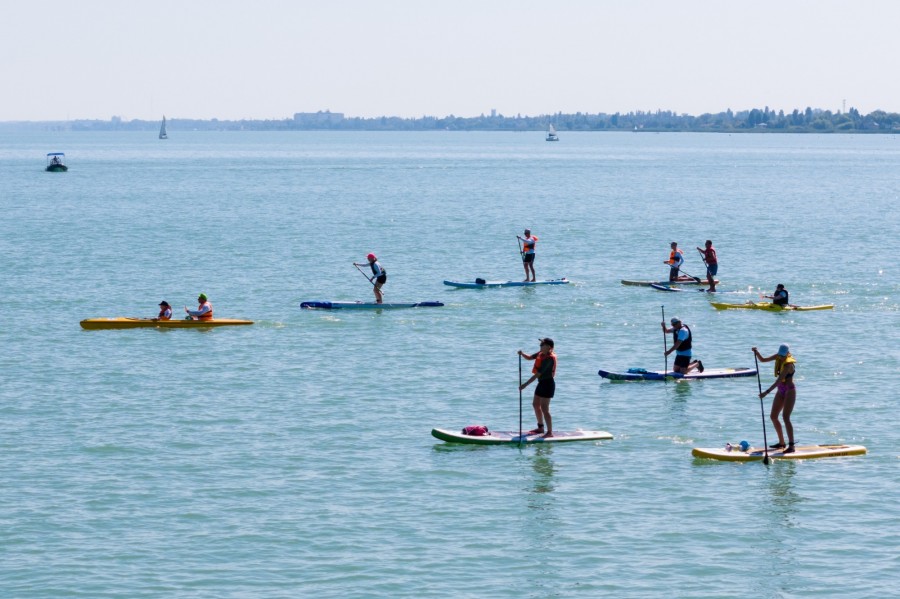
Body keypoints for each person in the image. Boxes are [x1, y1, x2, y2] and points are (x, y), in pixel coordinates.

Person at [753, 344, 797, 453]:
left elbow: (778, 380)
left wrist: (766, 392)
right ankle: (781, 443)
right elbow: (763, 360)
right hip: (780, 390)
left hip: (789, 391)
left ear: (787, 353)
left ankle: (791, 446)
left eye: (783, 356)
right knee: (773, 416)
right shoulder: (778, 356)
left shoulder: (788, 365)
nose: (781, 357)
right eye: (780, 355)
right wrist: (757, 353)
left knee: (785, 417)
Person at [518, 338, 557, 438]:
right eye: (540, 345)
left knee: (545, 409)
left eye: (542, 345)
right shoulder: (541, 354)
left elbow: (538, 374)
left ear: (549, 347)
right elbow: (530, 357)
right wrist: (522, 354)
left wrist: (525, 385)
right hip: (541, 383)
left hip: (548, 384)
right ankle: (540, 428)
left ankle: (549, 432)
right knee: (535, 405)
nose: (540, 346)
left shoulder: (549, 359)